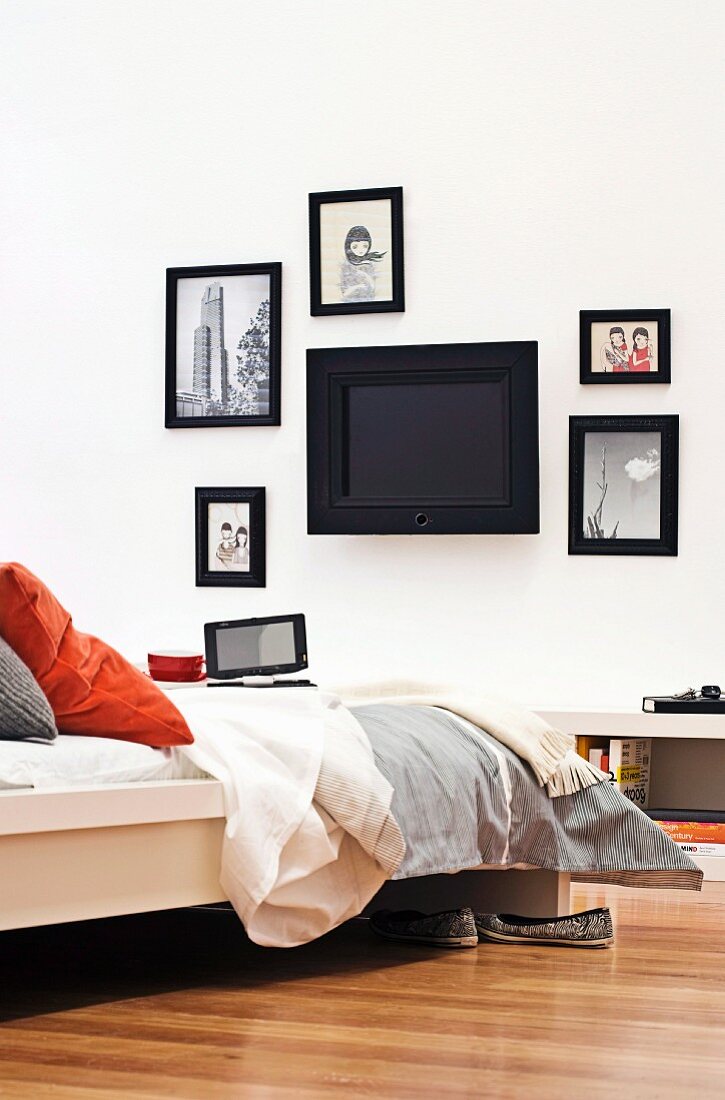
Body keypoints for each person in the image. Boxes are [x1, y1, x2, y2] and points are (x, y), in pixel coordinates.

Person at [338, 225, 387, 303]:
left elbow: (372, 288)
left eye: (364, 246)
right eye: (355, 247)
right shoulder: (346, 266)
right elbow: (345, 293)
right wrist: (357, 287)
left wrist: (366, 277)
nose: (360, 250)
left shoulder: (370, 265)